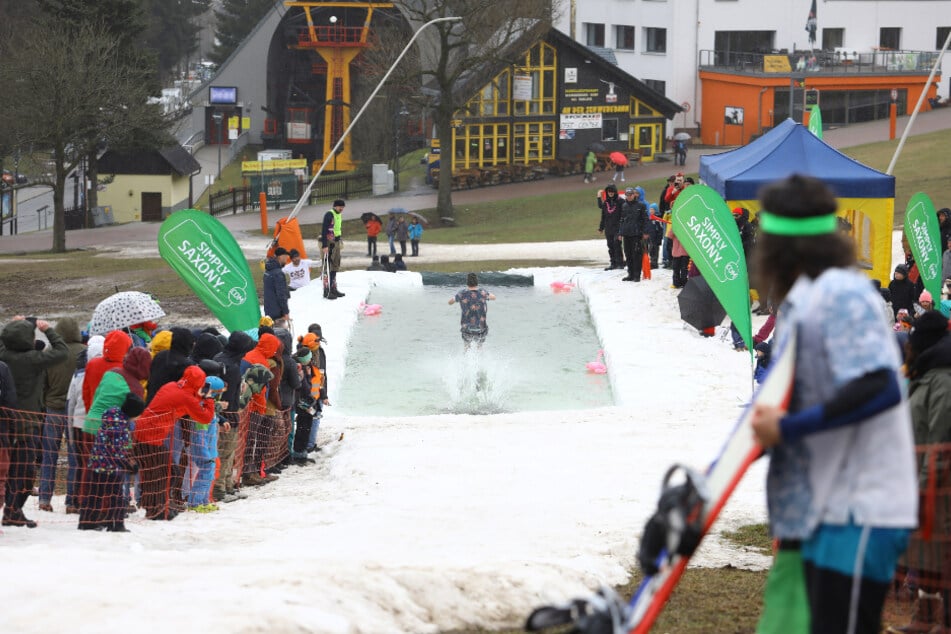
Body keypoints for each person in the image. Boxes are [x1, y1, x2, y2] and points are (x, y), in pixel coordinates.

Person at [749, 174, 917, 634]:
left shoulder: (841, 294)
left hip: (861, 508)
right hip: (824, 507)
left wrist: (788, 429)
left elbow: (880, 386)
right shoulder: (807, 298)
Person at [890, 310, 951, 633]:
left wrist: (927, 482)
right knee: (926, 548)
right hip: (920, 474)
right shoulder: (927, 374)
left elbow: (941, 436)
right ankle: (926, 618)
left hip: (939, 477)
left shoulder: (943, 378)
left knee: (942, 549)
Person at [0, 316, 68, 528]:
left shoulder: (4, 354)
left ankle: (13, 510)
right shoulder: (34, 359)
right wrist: (48, 330)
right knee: (26, 471)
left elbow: (4, 340)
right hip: (27, 424)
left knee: (9, 470)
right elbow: (61, 351)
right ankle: (13, 510)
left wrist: (12, 326)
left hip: (5, 423)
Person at [133, 365, 217, 520]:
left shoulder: (172, 386)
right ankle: (156, 509)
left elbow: (188, 400)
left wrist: (201, 397)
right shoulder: (185, 397)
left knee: (162, 472)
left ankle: (156, 506)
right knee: (166, 472)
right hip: (149, 437)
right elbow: (205, 417)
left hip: (145, 434)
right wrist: (209, 399)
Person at [38, 316, 85, 513]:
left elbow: (42, 385)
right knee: (75, 456)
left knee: (49, 455)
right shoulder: (85, 352)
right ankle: (72, 501)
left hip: (53, 408)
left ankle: (44, 498)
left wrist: (44, 405)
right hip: (75, 411)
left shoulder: (50, 353)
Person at [82, 393, 146, 532]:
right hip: (110, 466)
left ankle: (87, 522)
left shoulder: (112, 416)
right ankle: (116, 524)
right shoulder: (120, 426)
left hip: (97, 462)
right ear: (133, 413)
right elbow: (116, 450)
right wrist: (128, 465)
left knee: (95, 493)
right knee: (116, 495)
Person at [449, 273, 497, 350]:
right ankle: (480, 361)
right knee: (479, 348)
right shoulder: (482, 292)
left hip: (466, 327)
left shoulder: (462, 293)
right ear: (477, 282)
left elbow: (450, 302)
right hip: (481, 327)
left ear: (467, 283)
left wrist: (458, 298)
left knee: (466, 347)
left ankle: (465, 361)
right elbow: (494, 297)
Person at [617, 186, 649, 282]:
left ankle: (636, 275)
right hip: (626, 234)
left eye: (630, 195)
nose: (629, 196)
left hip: (636, 234)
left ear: (634, 195)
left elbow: (645, 220)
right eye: (627, 195)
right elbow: (621, 220)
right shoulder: (624, 206)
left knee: (636, 255)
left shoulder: (640, 206)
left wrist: (645, 232)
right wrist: (620, 233)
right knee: (628, 254)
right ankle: (630, 274)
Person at [320, 200, 347, 300]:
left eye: (343, 207)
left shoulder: (339, 215)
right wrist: (324, 245)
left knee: (335, 265)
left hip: (336, 242)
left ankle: (333, 288)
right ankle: (326, 290)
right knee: (328, 266)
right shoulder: (329, 214)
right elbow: (324, 230)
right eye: (340, 207)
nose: (342, 209)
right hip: (329, 243)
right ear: (335, 206)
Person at [597, 184, 624, 271]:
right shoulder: (606, 203)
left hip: (618, 227)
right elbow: (603, 216)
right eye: (609, 191)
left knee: (617, 244)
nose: (610, 193)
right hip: (608, 228)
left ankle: (620, 263)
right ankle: (613, 263)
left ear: (615, 192)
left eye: (612, 191)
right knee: (610, 245)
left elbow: (624, 216)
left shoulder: (621, 202)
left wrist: (622, 228)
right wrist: (601, 228)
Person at [264, 246, 291, 316]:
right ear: (281, 257)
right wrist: (286, 312)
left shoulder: (268, 270)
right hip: (277, 311)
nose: (287, 258)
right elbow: (281, 294)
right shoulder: (278, 273)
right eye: (286, 256)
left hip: (268, 308)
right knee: (280, 327)